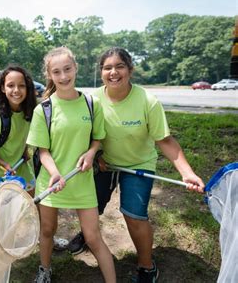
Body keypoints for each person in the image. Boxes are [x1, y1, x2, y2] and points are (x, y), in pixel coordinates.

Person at [69, 47, 205, 283]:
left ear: (130, 70)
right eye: (107, 67)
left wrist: (187, 173)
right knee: (91, 206)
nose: (113, 72)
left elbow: (165, 140)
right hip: (105, 163)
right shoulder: (91, 100)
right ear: (101, 72)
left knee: (134, 215)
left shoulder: (147, 101)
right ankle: (88, 236)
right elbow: (87, 134)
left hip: (137, 165)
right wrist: (96, 154)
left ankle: (147, 267)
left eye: (119, 66)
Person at [27, 47, 116, 283]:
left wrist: (91, 152)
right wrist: (55, 173)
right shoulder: (43, 109)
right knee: (47, 230)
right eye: (57, 72)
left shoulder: (91, 103)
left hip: (82, 182)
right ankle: (44, 270)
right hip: (52, 181)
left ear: (75, 68)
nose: (64, 76)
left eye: (67, 69)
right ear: (49, 75)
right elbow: (42, 151)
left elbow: (98, 137)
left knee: (93, 237)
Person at [0, 65, 37, 190]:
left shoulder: (29, 113)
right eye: (11, 85)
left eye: (21, 86)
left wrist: (24, 150)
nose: (16, 90)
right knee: (2, 208)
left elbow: (23, 136)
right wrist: (5, 164)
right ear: (3, 88)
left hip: (21, 169)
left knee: (29, 205)